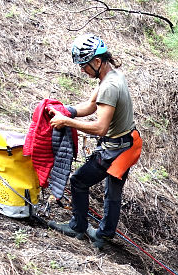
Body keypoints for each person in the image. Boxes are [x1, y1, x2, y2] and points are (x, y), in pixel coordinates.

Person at [47, 33, 141, 249]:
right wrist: (65, 112)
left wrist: (67, 123)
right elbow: (90, 106)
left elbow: (100, 128)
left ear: (97, 61)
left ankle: (78, 227)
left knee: (78, 181)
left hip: (115, 149)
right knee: (113, 191)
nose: (82, 70)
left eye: (84, 65)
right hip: (128, 143)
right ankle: (104, 236)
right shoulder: (112, 75)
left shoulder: (110, 86)